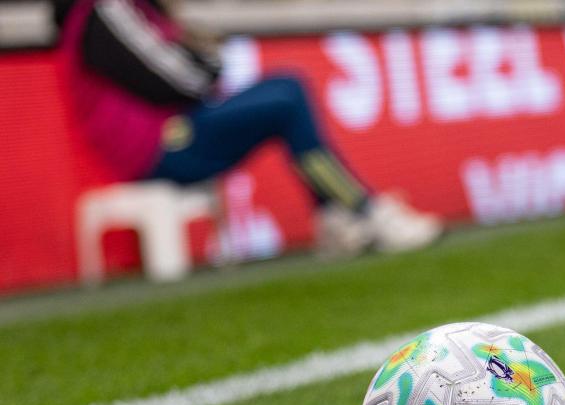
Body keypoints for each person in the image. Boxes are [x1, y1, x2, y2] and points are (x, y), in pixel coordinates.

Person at [53, 0, 442, 256]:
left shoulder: (134, 8)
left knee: (287, 88)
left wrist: (196, 51)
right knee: (286, 99)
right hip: (154, 148)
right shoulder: (101, 9)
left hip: (171, 132)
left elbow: (189, 71)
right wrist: (201, 53)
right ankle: (360, 210)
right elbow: (184, 80)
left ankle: (338, 215)